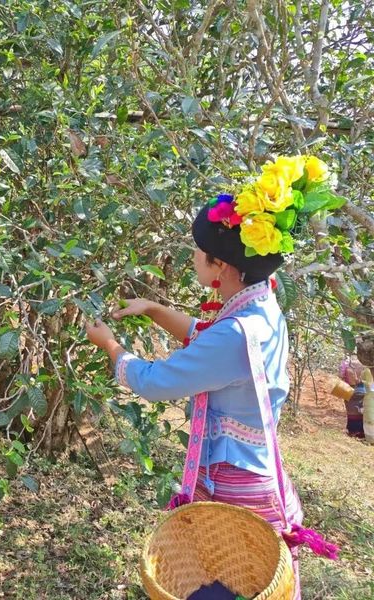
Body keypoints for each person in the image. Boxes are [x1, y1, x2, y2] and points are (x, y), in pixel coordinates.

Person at [86, 155, 341, 599]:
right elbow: (209, 340)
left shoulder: (236, 335)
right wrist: (155, 309)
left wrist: (110, 346)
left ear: (219, 266)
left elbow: (155, 381)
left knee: (226, 582)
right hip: (253, 470)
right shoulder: (261, 305)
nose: (192, 256)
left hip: (234, 483)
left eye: (197, 251)